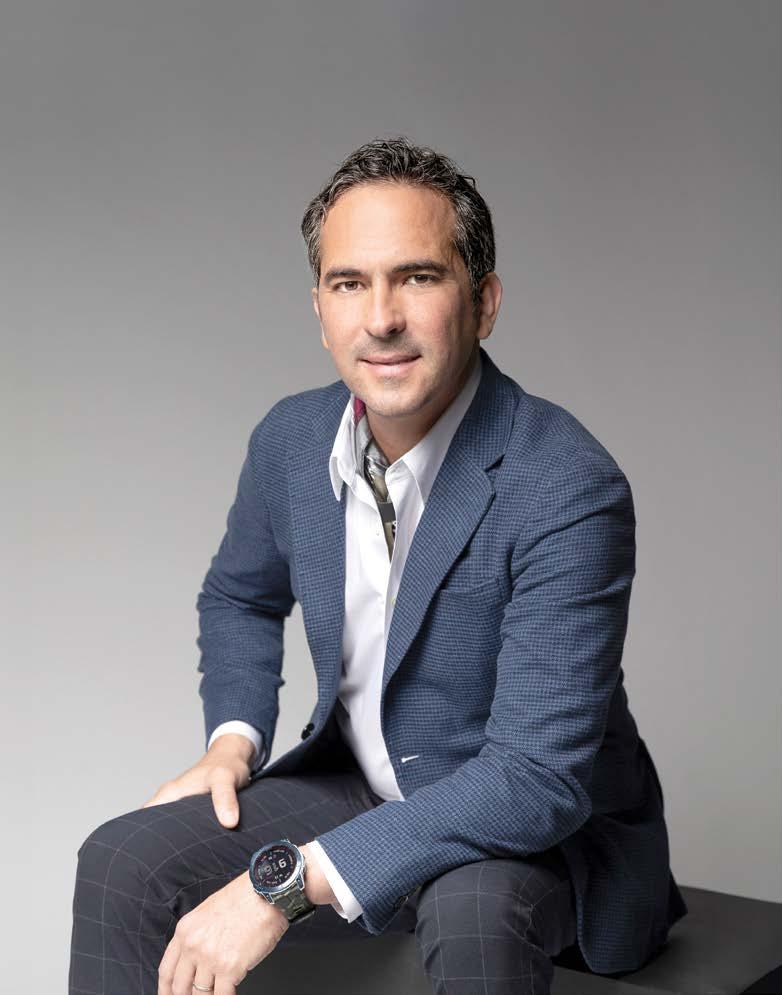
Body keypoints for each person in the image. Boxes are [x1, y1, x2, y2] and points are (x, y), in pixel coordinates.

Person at [69, 136, 687, 995]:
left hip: (540, 832)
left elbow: (536, 780)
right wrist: (231, 742)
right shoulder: (291, 441)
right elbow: (239, 595)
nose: (381, 317)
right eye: (349, 283)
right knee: (118, 861)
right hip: (360, 785)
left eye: (418, 277)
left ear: (485, 302)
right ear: (319, 309)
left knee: (473, 917)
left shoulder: (565, 482)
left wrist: (283, 886)